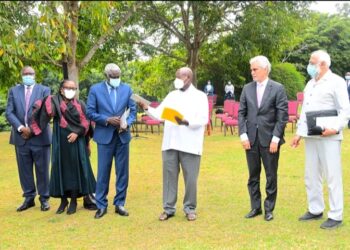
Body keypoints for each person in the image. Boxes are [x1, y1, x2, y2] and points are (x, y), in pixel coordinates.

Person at [138, 67, 208, 221]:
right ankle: (168, 208)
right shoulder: (172, 95)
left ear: (188, 78)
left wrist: (186, 122)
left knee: (190, 178)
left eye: (180, 77)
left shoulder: (200, 96)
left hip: (190, 142)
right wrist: (146, 108)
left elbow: (203, 119)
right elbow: (160, 113)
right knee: (169, 176)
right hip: (171, 142)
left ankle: (190, 208)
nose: (177, 79)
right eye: (176, 77)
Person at [291, 50, 350, 229]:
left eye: (312, 62)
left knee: (332, 175)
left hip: (329, 136)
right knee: (311, 174)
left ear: (323, 64)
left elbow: (345, 110)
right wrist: (298, 134)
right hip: (311, 134)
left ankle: (336, 214)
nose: (309, 65)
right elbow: (305, 111)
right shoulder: (310, 84)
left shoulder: (337, 82)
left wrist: (335, 128)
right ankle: (315, 209)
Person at [30, 79, 96, 215]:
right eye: (68, 88)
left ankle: (73, 201)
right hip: (60, 140)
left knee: (74, 169)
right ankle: (63, 200)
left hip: (77, 142)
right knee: (61, 168)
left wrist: (77, 133)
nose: (71, 91)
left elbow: (87, 122)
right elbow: (43, 111)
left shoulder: (80, 104)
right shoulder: (54, 101)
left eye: (73, 88)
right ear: (61, 89)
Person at [238, 55, 288, 222]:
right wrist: (243, 134)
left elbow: (282, 116)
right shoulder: (247, 88)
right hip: (250, 139)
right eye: (251, 69)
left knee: (271, 175)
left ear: (265, 69)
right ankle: (255, 207)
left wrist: (276, 138)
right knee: (253, 175)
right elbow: (241, 113)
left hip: (270, 139)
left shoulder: (278, 88)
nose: (252, 72)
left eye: (255, 69)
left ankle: (269, 209)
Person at [86, 63, 136, 219]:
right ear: (106, 76)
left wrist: (127, 122)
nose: (116, 79)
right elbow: (89, 112)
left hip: (122, 136)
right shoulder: (95, 90)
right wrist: (106, 119)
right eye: (113, 76)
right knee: (103, 172)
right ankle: (101, 205)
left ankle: (120, 203)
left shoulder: (127, 89)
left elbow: (133, 110)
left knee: (122, 172)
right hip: (104, 136)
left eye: (118, 76)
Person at [5, 66, 52, 212]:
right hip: (21, 137)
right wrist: (21, 128)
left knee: (42, 169)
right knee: (24, 169)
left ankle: (44, 198)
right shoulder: (14, 91)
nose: (28, 76)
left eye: (30, 73)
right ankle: (29, 197)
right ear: (21, 75)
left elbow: (46, 112)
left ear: (35, 75)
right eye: (25, 73)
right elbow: (9, 112)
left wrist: (32, 129)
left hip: (40, 136)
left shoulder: (44, 90)